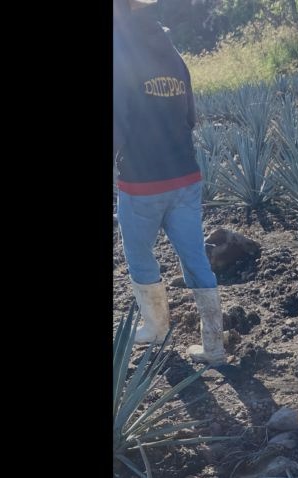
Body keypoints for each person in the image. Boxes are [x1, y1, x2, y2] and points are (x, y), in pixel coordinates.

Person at [113, 0, 226, 365]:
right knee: (195, 257)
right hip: (185, 177)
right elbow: (191, 116)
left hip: (142, 183)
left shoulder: (120, 53)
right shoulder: (172, 52)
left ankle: (156, 328)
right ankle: (214, 346)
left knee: (139, 254)